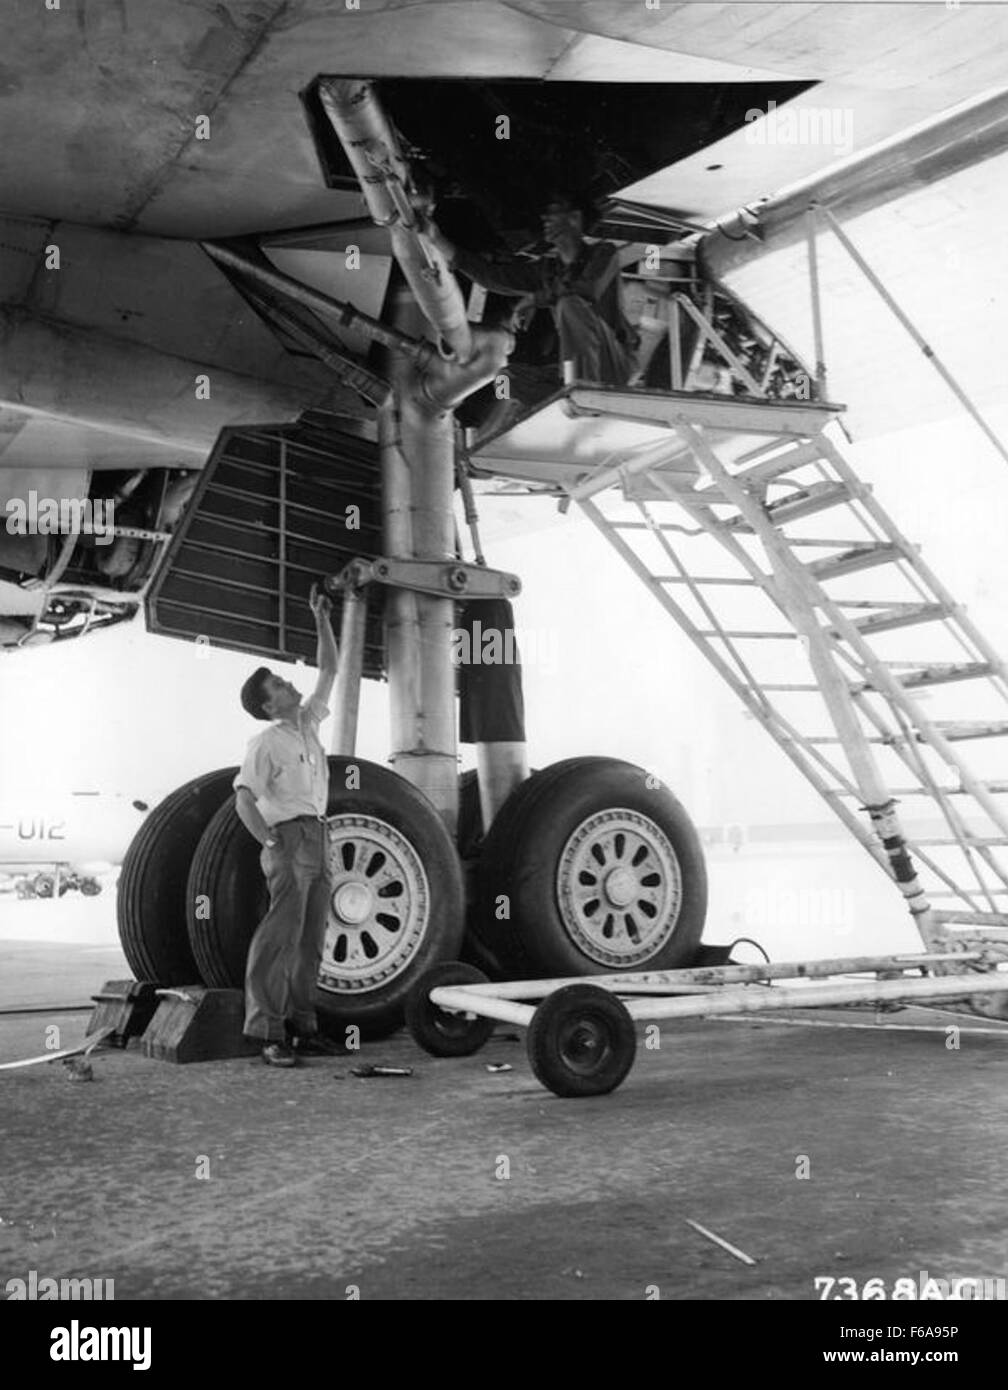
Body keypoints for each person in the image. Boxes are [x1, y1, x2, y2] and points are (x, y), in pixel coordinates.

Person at [233, 586, 338, 1068]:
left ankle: (304, 1027)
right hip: (291, 838)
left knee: (311, 939)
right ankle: (267, 1033)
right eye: (278, 684)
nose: (289, 684)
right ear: (269, 705)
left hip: (319, 834)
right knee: (279, 938)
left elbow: (330, 670)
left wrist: (320, 617)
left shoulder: (309, 725)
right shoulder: (267, 742)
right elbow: (243, 797)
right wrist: (270, 839)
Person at [420, 190, 638, 387]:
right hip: (575, 368)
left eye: (553, 211)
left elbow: (585, 291)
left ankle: (582, 391)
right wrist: (437, 240)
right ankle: (508, 425)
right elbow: (493, 277)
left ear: (575, 218)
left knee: (570, 305)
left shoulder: (605, 253)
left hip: (614, 365)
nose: (544, 218)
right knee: (506, 378)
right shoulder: (548, 270)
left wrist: (534, 299)